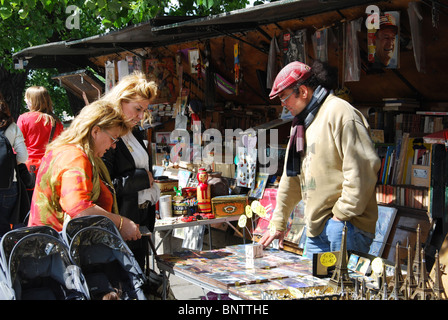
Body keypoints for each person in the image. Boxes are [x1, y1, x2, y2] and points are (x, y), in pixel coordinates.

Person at [259, 60, 381, 258]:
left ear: (304, 92)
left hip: (345, 226)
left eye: (284, 97)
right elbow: (292, 179)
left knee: (340, 287)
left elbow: (363, 169)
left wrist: (340, 215)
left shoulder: (340, 113)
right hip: (317, 229)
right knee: (315, 287)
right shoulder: (300, 124)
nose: (283, 105)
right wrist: (279, 223)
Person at [27, 100, 141, 242]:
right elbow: (79, 208)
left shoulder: (63, 150)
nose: (113, 146)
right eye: (113, 139)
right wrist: (121, 223)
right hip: (56, 250)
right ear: (95, 131)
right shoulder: (75, 157)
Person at [101, 72, 160, 269]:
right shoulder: (106, 132)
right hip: (122, 218)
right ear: (121, 101)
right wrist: (143, 179)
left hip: (141, 214)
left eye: (144, 110)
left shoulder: (134, 129)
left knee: (139, 274)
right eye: (137, 109)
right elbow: (105, 184)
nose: (141, 116)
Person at [17, 86, 64, 197]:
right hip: (50, 169)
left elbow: (17, 146)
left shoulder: (24, 118)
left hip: (28, 170)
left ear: (33, 101)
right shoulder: (56, 122)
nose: (25, 101)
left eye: (27, 98)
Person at [0, 96, 29, 236]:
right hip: (9, 184)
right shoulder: (12, 127)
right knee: (5, 227)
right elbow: (23, 156)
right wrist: (9, 164)